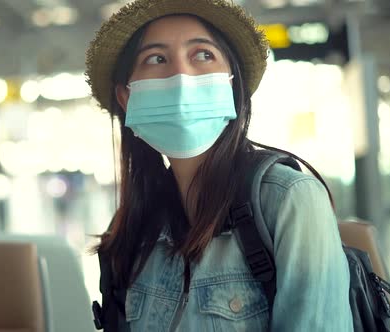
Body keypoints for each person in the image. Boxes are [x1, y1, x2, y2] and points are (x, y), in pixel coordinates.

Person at [85, 0, 353, 330]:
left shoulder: (289, 199)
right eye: (156, 58)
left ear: (231, 82)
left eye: (202, 54)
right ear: (127, 97)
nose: (181, 75)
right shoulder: (131, 228)